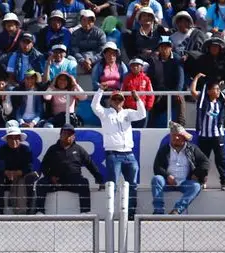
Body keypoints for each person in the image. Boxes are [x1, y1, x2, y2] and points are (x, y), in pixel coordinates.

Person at [92, 87, 145, 219]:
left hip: (129, 154)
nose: (117, 101)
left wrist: (137, 98)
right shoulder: (105, 113)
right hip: (113, 154)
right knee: (112, 184)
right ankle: (110, 213)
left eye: (120, 99)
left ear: (123, 101)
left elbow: (142, 114)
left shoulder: (128, 113)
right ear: (110, 101)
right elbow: (94, 105)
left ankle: (131, 213)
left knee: (132, 184)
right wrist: (100, 91)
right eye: (115, 99)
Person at [37, 123, 104, 214]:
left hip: (73, 181)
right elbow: (44, 166)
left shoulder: (79, 149)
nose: (67, 136)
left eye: (70, 134)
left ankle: (85, 212)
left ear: (74, 137)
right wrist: (50, 177)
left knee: (84, 183)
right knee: (41, 184)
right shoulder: (52, 149)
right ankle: (40, 211)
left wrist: (99, 179)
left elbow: (90, 164)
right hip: (56, 181)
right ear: (60, 135)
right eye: (65, 133)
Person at [151, 123, 209, 215]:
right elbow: (157, 167)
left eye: (179, 136)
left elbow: (205, 162)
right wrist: (167, 176)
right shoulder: (164, 149)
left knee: (196, 186)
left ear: (184, 138)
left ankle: (177, 210)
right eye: (174, 136)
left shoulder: (192, 149)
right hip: (167, 182)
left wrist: (196, 174)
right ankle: (158, 211)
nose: (176, 138)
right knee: (157, 179)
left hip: (185, 182)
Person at [190, 73, 225, 190]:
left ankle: (224, 182)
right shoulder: (202, 101)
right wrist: (197, 78)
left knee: (221, 160)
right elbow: (193, 91)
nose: (218, 91)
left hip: (218, 136)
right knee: (203, 160)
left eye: (219, 89)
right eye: (215, 89)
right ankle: (202, 180)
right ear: (208, 91)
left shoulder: (222, 103)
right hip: (204, 136)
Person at [0, 127, 37, 215]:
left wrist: (19, 173)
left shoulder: (26, 150)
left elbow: (29, 166)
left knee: (31, 178)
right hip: (7, 177)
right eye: (11, 138)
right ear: (7, 139)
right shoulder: (2, 150)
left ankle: (29, 210)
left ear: (20, 139)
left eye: (16, 138)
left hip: (22, 176)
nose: (14, 141)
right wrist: (6, 172)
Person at [147, 37, 186, 128]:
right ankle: (149, 128)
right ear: (159, 48)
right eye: (162, 47)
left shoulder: (177, 59)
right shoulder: (154, 60)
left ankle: (181, 126)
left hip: (173, 92)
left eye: (167, 47)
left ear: (171, 48)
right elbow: (149, 78)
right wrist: (154, 91)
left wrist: (177, 91)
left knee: (180, 98)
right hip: (159, 92)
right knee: (150, 102)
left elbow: (181, 78)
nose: (164, 49)